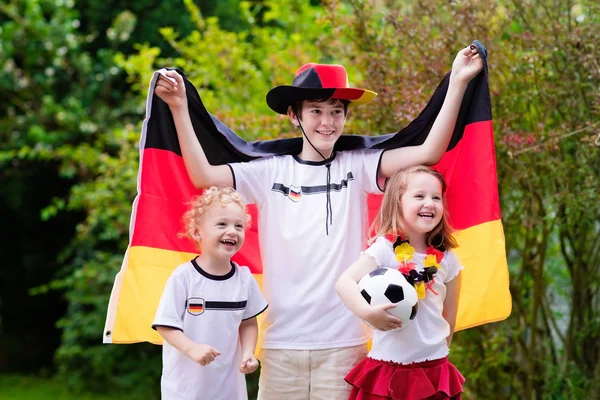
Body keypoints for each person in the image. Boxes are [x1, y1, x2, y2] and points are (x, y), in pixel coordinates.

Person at [153, 46, 481, 399]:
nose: (327, 121)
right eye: (316, 111)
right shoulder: (270, 171)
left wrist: (458, 82)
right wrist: (179, 107)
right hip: (280, 344)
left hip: (346, 344)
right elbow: (204, 176)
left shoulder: (357, 166)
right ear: (294, 116)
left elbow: (429, 152)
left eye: (337, 111)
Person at [336, 166, 465, 400]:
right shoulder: (385, 249)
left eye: (436, 197)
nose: (429, 203)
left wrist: (434, 352)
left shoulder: (448, 259)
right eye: (419, 196)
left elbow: (450, 317)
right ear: (398, 202)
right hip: (387, 367)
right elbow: (344, 283)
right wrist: (368, 313)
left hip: (433, 370)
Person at [152, 187, 268, 400]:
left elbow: (248, 322)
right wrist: (192, 348)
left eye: (239, 225)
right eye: (222, 224)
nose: (232, 231)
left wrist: (249, 353)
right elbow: (165, 325)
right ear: (197, 232)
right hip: (186, 389)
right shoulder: (183, 277)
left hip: (229, 389)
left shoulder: (244, 278)